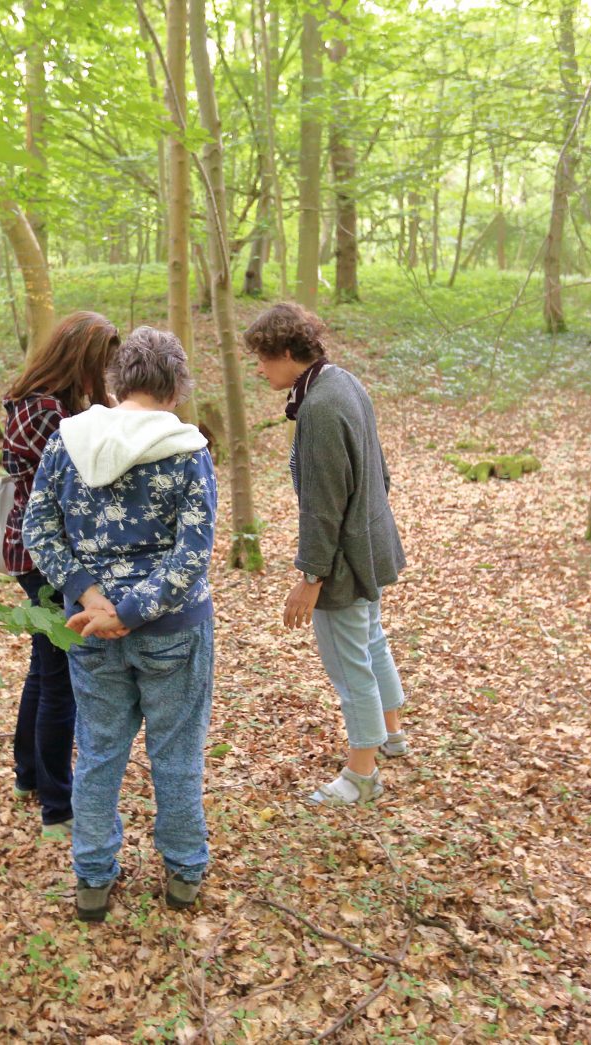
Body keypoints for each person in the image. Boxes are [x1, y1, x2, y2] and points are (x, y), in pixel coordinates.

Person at [22, 326, 217, 922]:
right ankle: (183, 873)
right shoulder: (188, 451)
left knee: (101, 753)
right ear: (177, 387)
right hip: (173, 631)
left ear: (115, 381)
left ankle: (93, 880)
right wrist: (126, 611)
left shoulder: (67, 442)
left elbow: (37, 532)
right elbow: (191, 556)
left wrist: (91, 598)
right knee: (176, 754)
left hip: (88, 629)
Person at [244, 302, 410, 806]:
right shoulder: (343, 381)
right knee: (372, 641)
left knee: (349, 661)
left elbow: (322, 507)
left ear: (290, 353)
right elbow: (379, 473)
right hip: (371, 544)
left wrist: (310, 577)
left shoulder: (319, 407)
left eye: (264, 358)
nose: (258, 368)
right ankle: (392, 735)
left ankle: (362, 774)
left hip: (345, 558)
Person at [1, 311, 121, 838]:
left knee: (43, 667)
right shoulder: (47, 410)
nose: (107, 376)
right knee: (60, 683)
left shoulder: (47, 402)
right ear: (82, 361)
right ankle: (58, 805)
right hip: (44, 558)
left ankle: (29, 775)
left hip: (38, 555)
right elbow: (93, 472)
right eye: (103, 365)